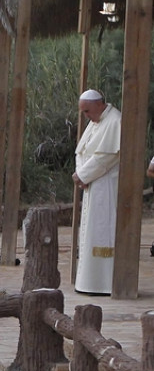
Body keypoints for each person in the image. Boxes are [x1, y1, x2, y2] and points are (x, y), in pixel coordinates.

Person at [73, 89, 121, 295]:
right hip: (92, 184)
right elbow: (81, 151)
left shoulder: (114, 121)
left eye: (87, 111)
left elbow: (106, 157)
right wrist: (80, 175)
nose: (86, 116)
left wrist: (82, 175)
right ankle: (87, 282)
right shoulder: (96, 121)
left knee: (101, 231)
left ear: (100, 104)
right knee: (90, 232)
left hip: (106, 188)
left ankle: (102, 283)